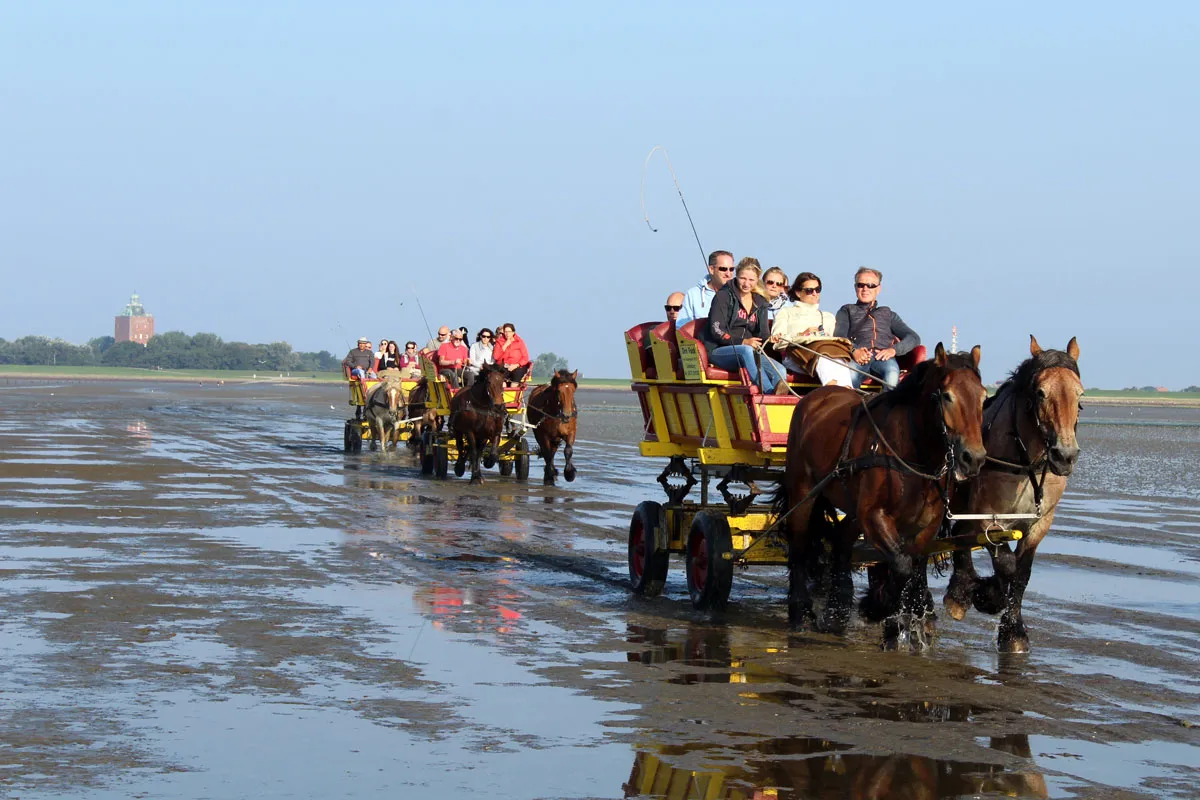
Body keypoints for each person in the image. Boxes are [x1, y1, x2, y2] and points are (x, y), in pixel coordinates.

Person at [701, 261, 789, 395]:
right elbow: (716, 330)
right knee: (746, 350)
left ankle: (779, 401)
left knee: (780, 371)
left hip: (750, 353)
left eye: (751, 280)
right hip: (718, 351)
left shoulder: (760, 302)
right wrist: (742, 342)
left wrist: (771, 339)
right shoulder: (723, 296)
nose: (746, 283)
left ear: (757, 280)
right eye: (742, 278)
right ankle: (769, 393)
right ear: (736, 276)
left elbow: (763, 334)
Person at [834, 267, 920, 389]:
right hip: (858, 357)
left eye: (870, 285)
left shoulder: (888, 314)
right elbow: (839, 336)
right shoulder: (847, 310)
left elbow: (913, 337)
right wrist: (854, 351)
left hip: (883, 358)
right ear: (855, 287)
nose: (865, 289)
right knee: (850, 376)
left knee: (892, 374)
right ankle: (854, 407)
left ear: (878, 289)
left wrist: (893, 350)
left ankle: (886, 407)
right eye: (861, 285)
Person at [770, 272, 854, 386]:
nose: (815, 293)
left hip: (827, 354)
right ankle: (832, 388)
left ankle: (846, 391)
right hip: (797, 356)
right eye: (809, 290)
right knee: (824, 357)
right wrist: (803, 335)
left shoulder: (827, 317)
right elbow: (777, 343)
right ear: (798, 293)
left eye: (818, 289)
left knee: (839, 359)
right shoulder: (785, 313)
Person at [678, 250, 734, 325]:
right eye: (723, 269)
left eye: (731, 269)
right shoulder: (693, 294)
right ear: (711, 269)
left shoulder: (739, 294)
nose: (728, 273)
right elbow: (681, 327)